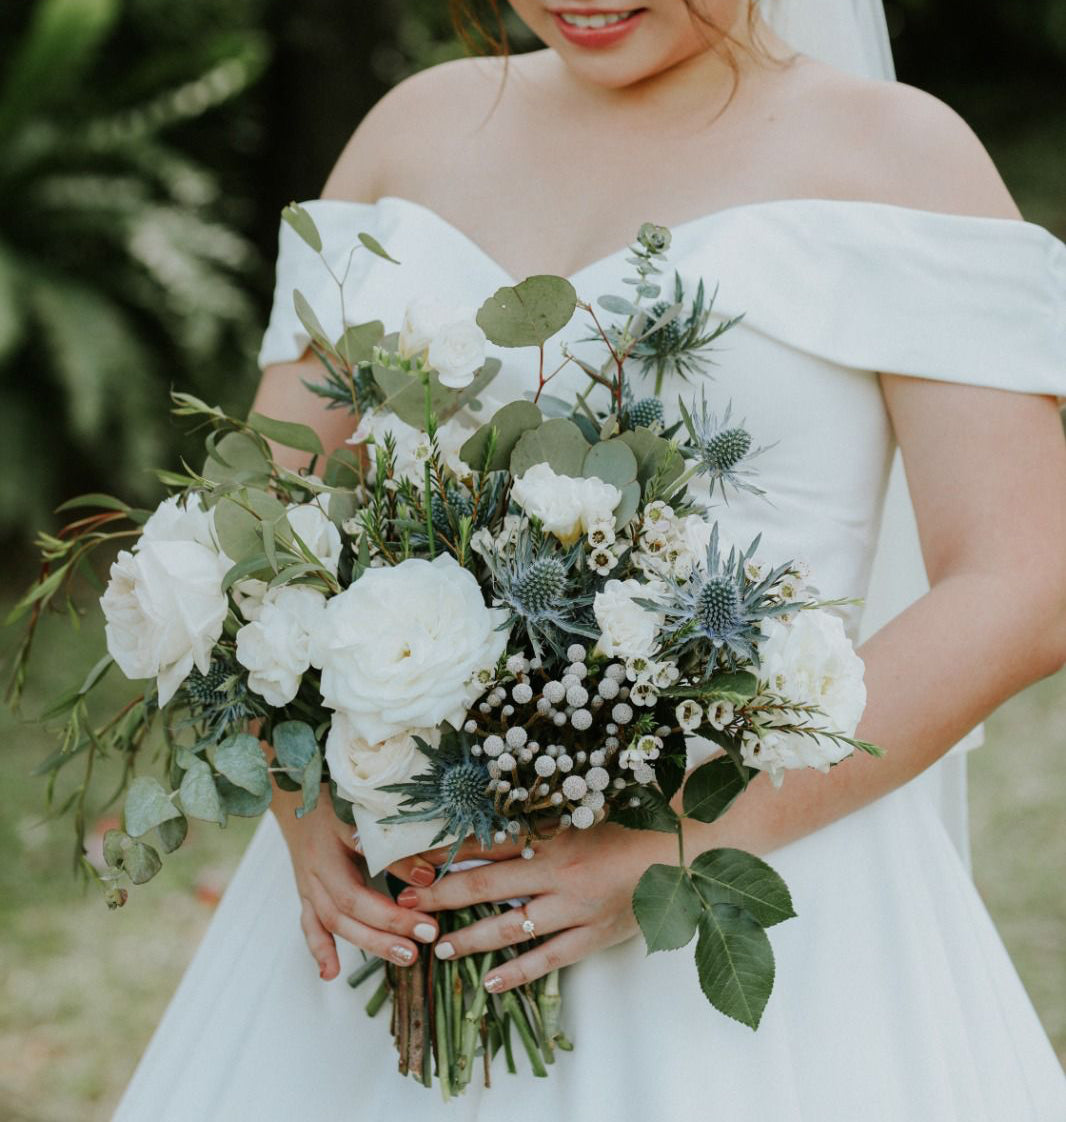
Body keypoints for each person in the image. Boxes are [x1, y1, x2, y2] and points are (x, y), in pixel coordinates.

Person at [113, 2, 1066, 1118]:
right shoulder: (411, 132)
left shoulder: (897, 156)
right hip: (401, 891)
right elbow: (258, 519)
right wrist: (297, 794)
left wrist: (680, 842)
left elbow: (1023, 580)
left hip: (759, 873)